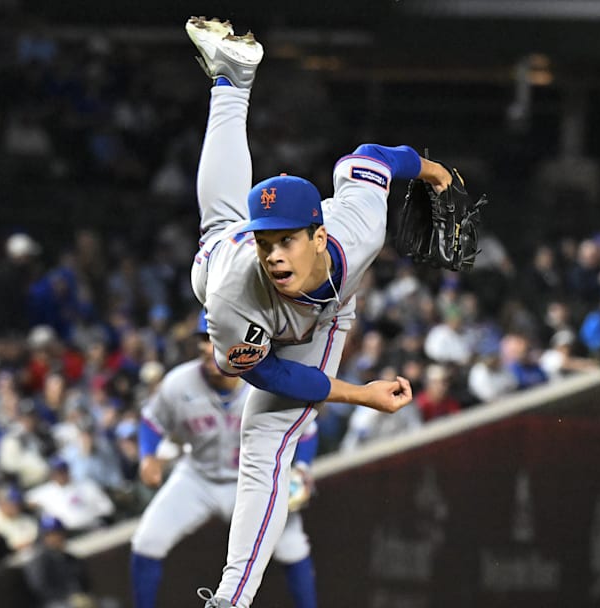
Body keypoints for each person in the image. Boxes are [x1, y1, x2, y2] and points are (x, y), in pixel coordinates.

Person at [184, 16, 447, 607]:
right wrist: (360, 393)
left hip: (324, 316)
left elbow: (373, 157)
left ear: (318, 234)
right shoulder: (233, 288)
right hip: (233, 296)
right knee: (221, 225)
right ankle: (231, 601)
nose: (274, 254)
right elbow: (265, 372)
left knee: (270, 434)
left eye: (285, 240)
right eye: (266, 241)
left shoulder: (356, 230)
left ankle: (231, 81)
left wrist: (429, 169)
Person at [130, 312, 319, 608]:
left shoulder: (268, 382)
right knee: (146, 541)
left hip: (254, 483)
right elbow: (151, 423)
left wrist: (302, 468)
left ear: (240, 344)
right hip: (197, 478)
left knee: (293, 548)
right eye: (203, 340)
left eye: (214, 339)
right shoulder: (179, 383)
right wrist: (147, 457)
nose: (207, 347)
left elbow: (308, 432)